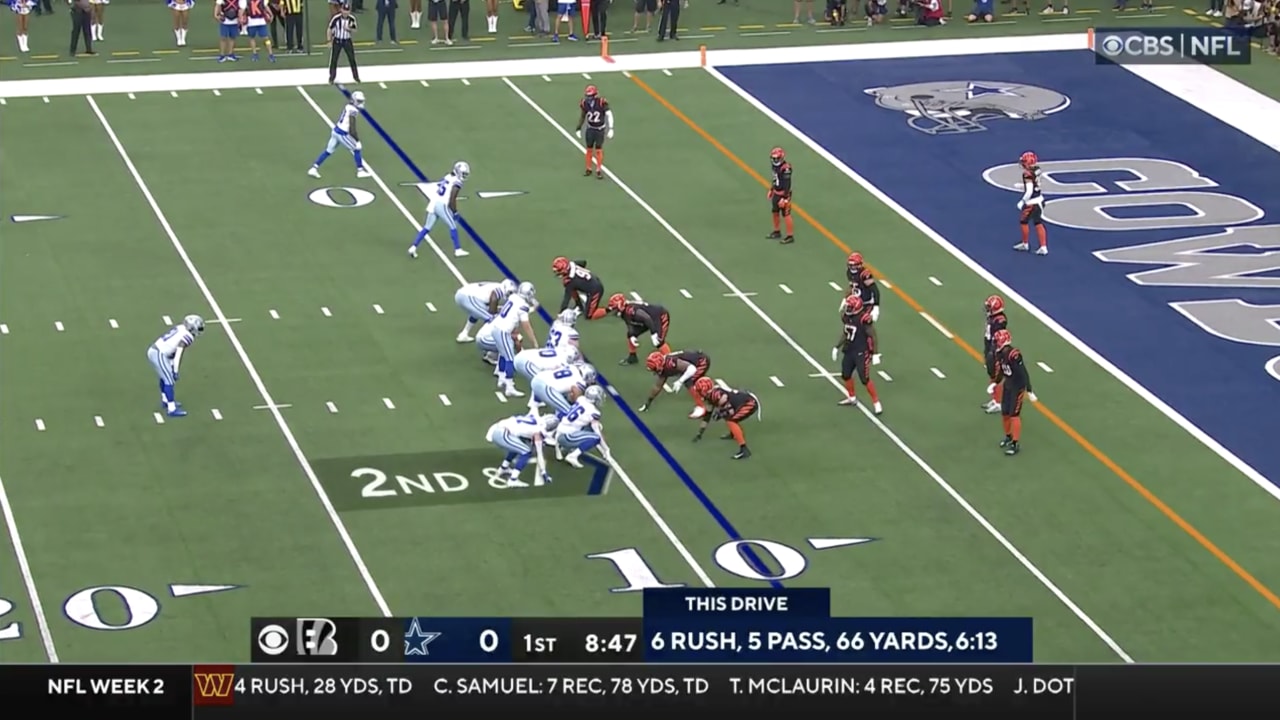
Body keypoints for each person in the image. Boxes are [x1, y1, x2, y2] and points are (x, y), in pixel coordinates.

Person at [327, 2, 360, 83]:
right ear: (341, 10)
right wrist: (329, 41)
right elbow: (330, 29)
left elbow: (355, 29)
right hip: (337, 40)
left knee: (352, 59)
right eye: (344, 10)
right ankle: (332, 77)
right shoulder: (336, 18)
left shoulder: (351, 19)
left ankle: (356, 77)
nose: (345, 12)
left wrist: (348, 28)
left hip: (347, 41)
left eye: (347, 10)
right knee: (334, 59)